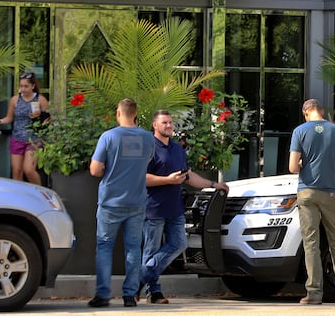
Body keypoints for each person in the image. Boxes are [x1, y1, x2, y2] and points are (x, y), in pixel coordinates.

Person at [139, 110, 229, 304]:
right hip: (153, 208)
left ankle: (141, 276)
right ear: (155, 125)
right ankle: (153, 292)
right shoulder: (149, 147)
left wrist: (213, 185)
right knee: (151, 251)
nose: (169, 125)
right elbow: (141, 178)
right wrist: (167, 180)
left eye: (171, 122)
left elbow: (189, 175)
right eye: (165, 122)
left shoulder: (177, 148)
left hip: (175, 208)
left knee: (179, 244)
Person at [288, 98, 335, 305]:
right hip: (330, 193)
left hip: (307, 193)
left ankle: (313, 293)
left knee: (311, 242)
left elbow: (293, 167)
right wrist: (330, 163)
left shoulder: (300, 131)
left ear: (306, 113)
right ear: (322, 112)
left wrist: (305, 163)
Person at [88, 98, 155, 308]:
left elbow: (95, 170)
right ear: (135, 114)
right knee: (134, 248)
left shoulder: (108, 137)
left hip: (110, 202)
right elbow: (149, 161)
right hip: (137, 200)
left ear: (118, 113)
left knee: (105, 247)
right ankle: (130, 295)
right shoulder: (148, 138)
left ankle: (103, 294)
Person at [0, 72, 49, 185]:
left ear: (32, 86)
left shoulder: (40, 100)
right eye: (21, 86)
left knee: (29, 169)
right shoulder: (15, 100)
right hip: (17, 138)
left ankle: (39, 193)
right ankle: (21, 198)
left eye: (26, 86)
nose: (23, 89)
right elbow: (9, 118)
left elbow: (49, 119)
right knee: (17, 171)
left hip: (34, 139)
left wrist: (40, 117)